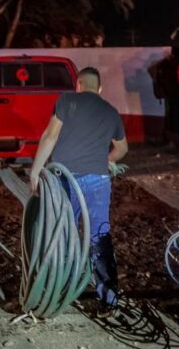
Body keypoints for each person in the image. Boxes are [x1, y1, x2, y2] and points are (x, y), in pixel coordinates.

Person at [30, 66, 129, 315]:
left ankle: (60, 290)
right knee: (99, 236)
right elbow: (122, 149)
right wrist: (108, 159)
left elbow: (50, 136)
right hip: (98, 181)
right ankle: (108, 299)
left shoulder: (66, 100)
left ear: (78, 84)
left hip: (65, 178)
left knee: (64, 236)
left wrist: (35, 170)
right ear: (100, 88)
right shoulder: (111, 111)